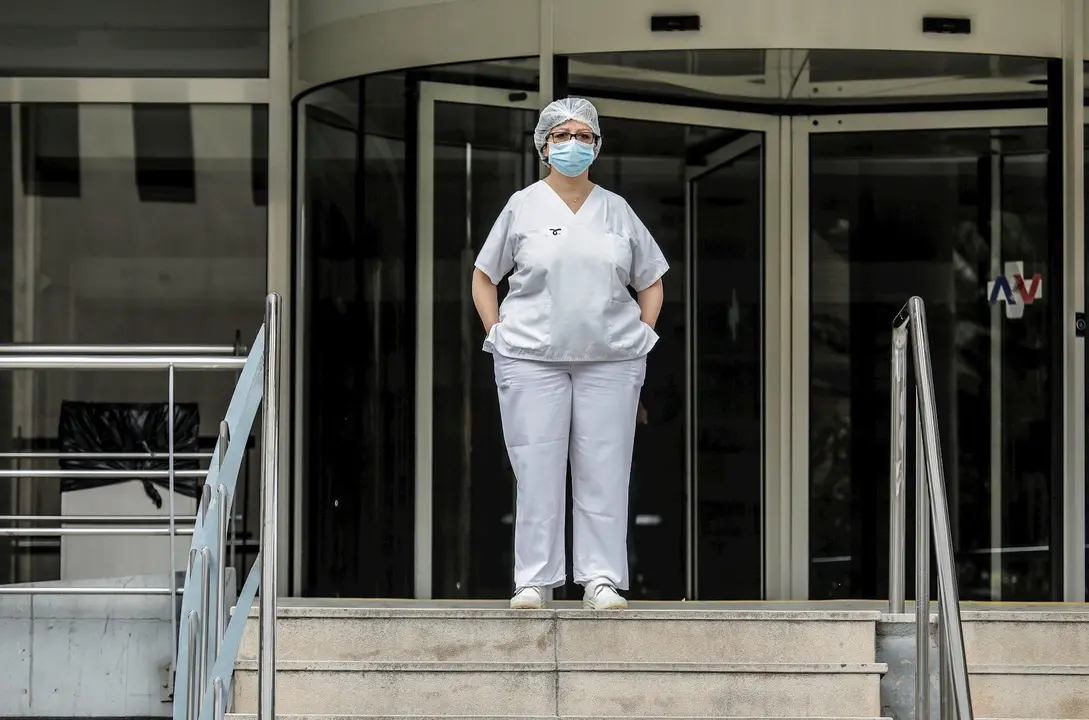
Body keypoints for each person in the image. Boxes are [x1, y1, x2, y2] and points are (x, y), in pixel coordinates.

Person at [470, 97, 668, 610]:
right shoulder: (522, 205)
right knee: (536, 466)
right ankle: (535, 580)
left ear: (597, 145)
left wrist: (641, 335)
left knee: (605, 465)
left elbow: (651, 281)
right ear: (544, 144)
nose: (573, 144)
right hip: (531, 357)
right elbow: (484, 277)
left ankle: (599, 579)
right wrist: (497, 333)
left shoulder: (617, 210)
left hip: (609, 359)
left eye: (584, 136)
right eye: (563, 136)